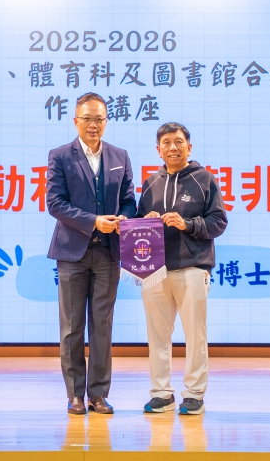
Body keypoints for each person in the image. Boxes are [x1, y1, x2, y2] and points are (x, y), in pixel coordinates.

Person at [46, 92, 137, 415]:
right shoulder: (60, 156)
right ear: (76, 121)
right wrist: (93, 221)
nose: (93, 125)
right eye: (87, 119)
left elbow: (129, 200)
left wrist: (124, 217)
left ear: (106, 121)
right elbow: (55, 203)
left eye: (99, 119)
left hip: (109, 254)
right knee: (72, 327)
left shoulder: (120, 156)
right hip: (72, 253)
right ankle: (75, 395)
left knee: (102, 325)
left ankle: (98, 394)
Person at [136, 122, 228, 415]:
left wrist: (186, 224)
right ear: (158, 149)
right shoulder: (150, 183)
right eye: (166, 143)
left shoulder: (204, 180)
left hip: (192, 267)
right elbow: (136, 227)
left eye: (178, 142)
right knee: (157, 336)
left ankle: (194, 394)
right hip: (154, 271)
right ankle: (161, 393)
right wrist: (145, 221)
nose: (172, 148)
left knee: (195, 335)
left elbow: (218, 222)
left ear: (189, 147)